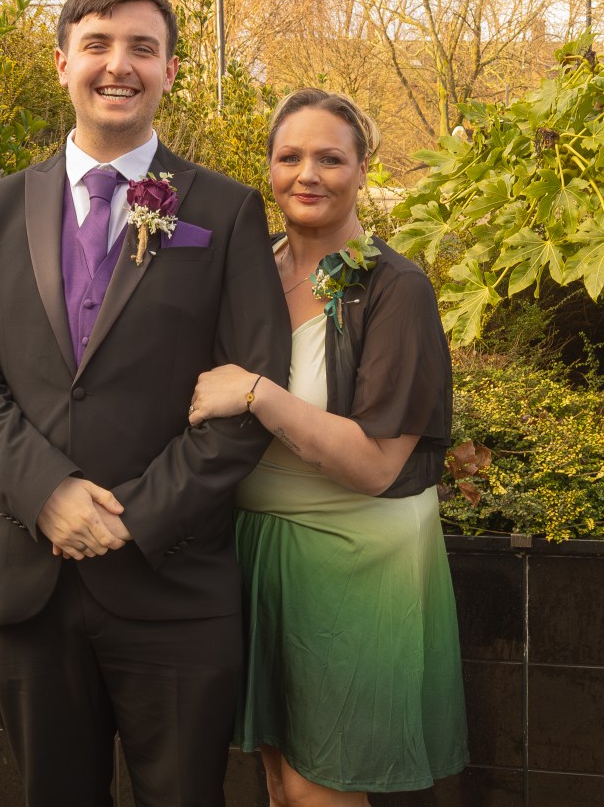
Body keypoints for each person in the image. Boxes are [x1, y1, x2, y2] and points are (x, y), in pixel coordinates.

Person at [0, 0, 291, 807]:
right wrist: (47, 493)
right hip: (24, 582)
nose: (118, 65)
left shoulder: (227, 211)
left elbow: (254, 391)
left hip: (172, 582)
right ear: (63, 62)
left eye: (142, 48)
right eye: (96, 44)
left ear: (170, 71)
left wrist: (131, 517)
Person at [189, 88, 469, 806]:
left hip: (353, 554)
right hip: (255, 547)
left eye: (330, 159)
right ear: (269, 168)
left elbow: (377, 464)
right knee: (280, 782)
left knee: (320, 788)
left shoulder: (396, 288)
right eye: (290, 157)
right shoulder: (254, 268)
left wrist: (259, 393)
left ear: (363, 170)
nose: (307, 174)